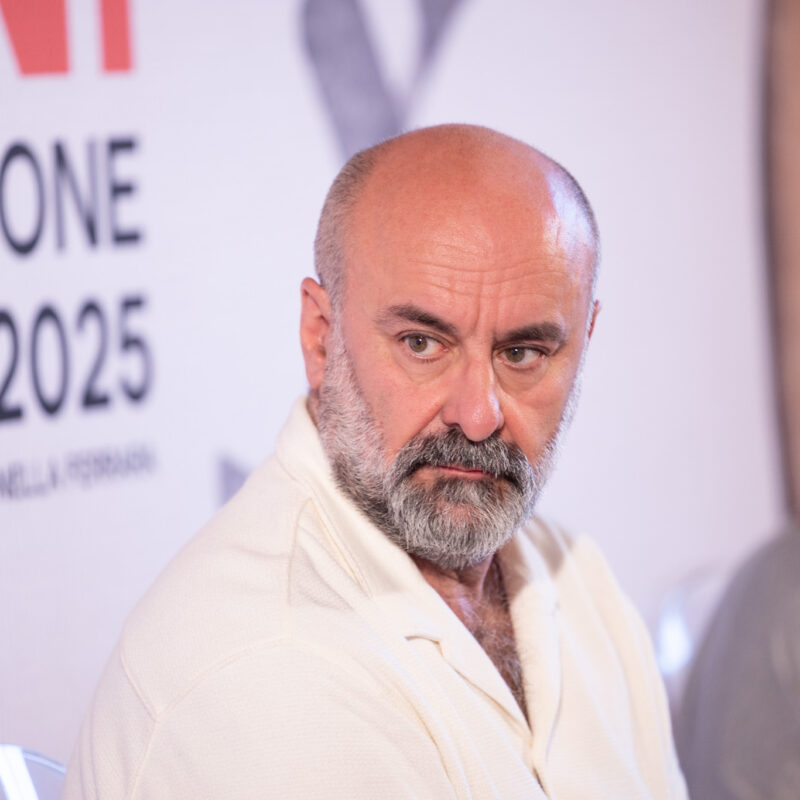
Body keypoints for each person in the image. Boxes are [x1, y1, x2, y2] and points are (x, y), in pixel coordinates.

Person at [64, 124, 687, 798]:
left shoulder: (578, 577)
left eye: (522, 354)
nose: (478, 416)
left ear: (585, 342)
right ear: (320, 337)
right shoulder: (265, 669)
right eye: (422, 343)